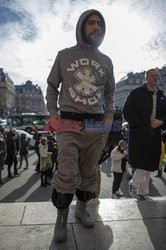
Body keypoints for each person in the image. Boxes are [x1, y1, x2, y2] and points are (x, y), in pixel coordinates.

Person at [46, 9, 115, 242]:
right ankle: (61, 217)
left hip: (96, 126)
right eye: (92, 23)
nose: (97, 27)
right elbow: (52, 87)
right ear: (81, 26)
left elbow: (110, 93)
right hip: (69, 123)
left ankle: (82, 208)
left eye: (100, 24)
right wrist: (53, 113)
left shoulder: (106, 61)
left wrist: (108, 117)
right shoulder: (64, 55)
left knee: (89, 172)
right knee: (66, 172)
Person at [123, 68, 166, 200]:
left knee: (149, 163)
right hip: (139, 134)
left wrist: (161, 122)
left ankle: (142, 192)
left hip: (155, 134)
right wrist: (142, 124)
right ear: (146, 78)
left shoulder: (161, 95)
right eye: (152, 75)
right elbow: (127, 112)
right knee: (143, 162)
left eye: (157, 76)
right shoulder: (136, 93)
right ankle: (134, 184)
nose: (155, 77)